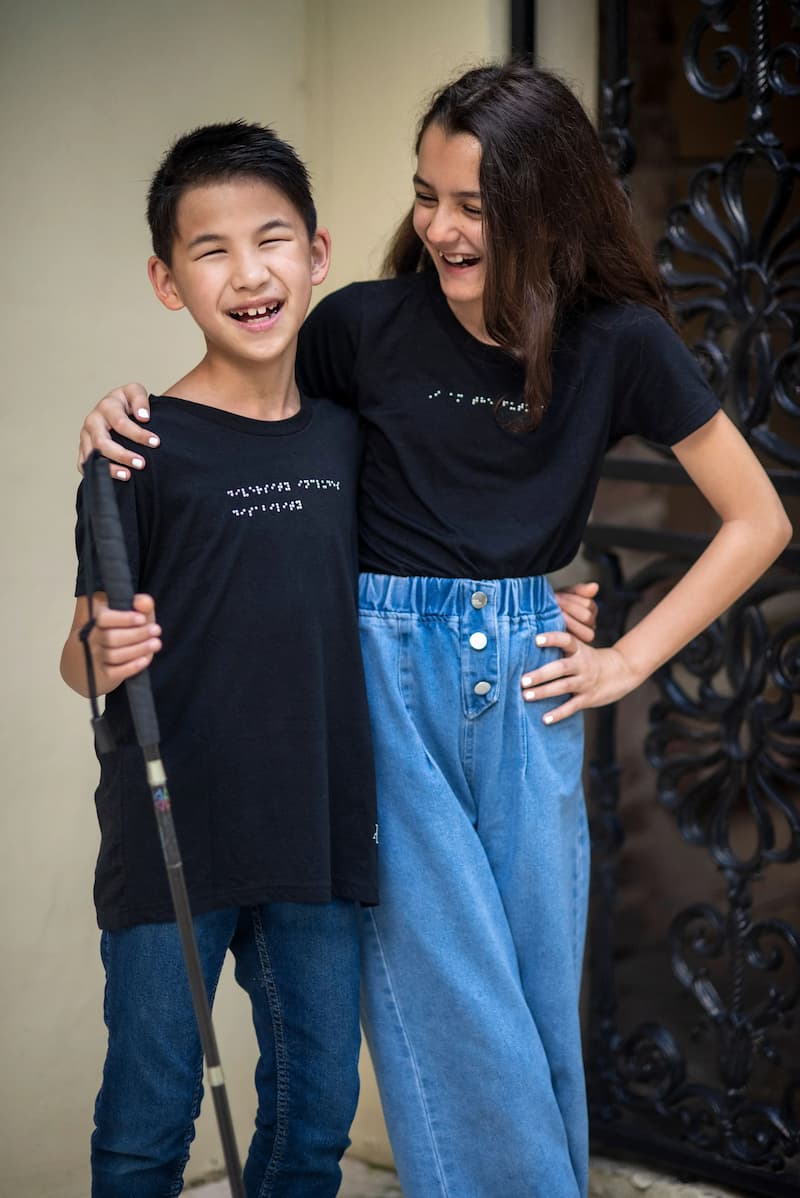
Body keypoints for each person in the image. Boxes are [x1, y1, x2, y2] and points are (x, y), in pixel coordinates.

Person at [76, 63, 791, 1198]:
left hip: (526, 675)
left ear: (545, 208)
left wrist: (621, 656)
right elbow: (256, 433)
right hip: (379, 677)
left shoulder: (620, 344)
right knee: (449, 1005)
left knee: (528, 998)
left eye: (476, 205)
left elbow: (756, 518)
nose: (443, 230)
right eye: (428, 197)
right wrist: (133, 413)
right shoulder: (359, 326)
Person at [60, 121, 380, 1198]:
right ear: (167, 280)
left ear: (317, 255)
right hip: (172, 841)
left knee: (313, 1118)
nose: (248, 273)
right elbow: (83, 656)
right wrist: (98, 651)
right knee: (147, 1127)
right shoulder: (133, 447)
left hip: (318, 832)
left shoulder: (348, 436)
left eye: (272, 239)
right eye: (211, 250)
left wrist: (556, 598)